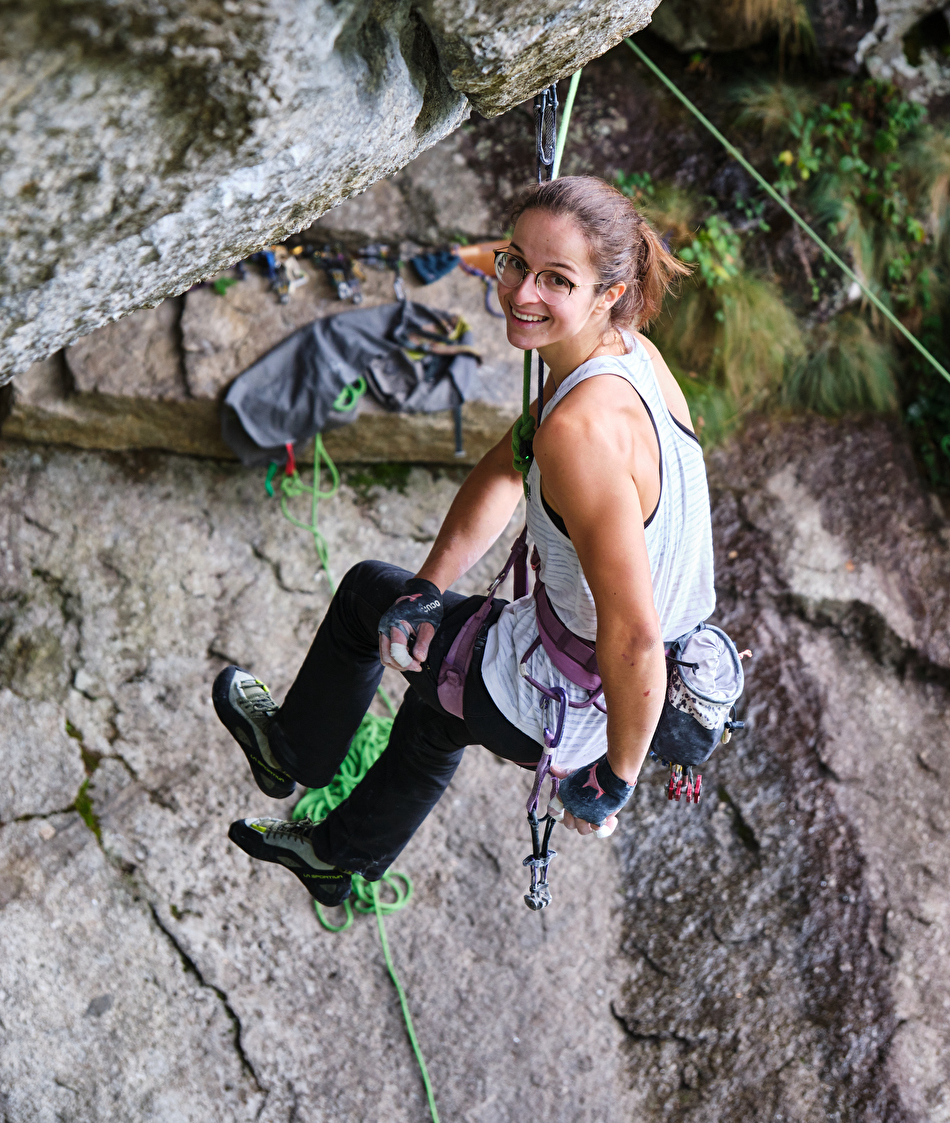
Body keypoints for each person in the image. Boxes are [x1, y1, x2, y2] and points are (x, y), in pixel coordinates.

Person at [213, 175, 718, 907]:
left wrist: (614, 781)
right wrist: (425, 590)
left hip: (581, 700)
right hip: (619, 687)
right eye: (516, 262)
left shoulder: (579, 431)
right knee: (437, 711)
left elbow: (634, 637)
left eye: (555, 280)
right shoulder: (632, 358)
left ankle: (288, 753)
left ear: (608, 292)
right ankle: (336, 859)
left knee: (364, 595)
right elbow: (503, 471)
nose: (520, 293)